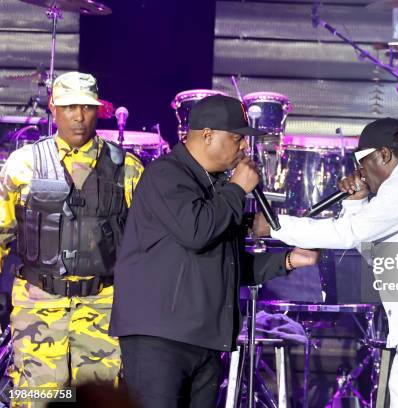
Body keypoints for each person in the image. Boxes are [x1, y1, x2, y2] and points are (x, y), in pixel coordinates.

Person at [253, 118, 398, 408]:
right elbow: (379, 257)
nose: (361, 174)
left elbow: (348, 233)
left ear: (385, 155)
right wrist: (355, 204)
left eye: (363, 164)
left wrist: (276, 226)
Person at [109, 94, 319, 408]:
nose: (245, 148)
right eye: (237, 139)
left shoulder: (216, 187)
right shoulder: (167, 175)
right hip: (161, 340)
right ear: (208, 135)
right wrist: (236, 188)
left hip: (204, 340)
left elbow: (226, 263)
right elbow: (198, 231)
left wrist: (287, 260)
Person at [0, 72, 144, 405]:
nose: (78, 117)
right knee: (35, 398)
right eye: (68, 107)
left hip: (102, 306)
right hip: (38, 305)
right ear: (52, 107)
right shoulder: (23, 165)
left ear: (100, 110)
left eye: (86, 107)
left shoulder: (128, 169)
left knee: (99, 400)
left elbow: (148, 243)